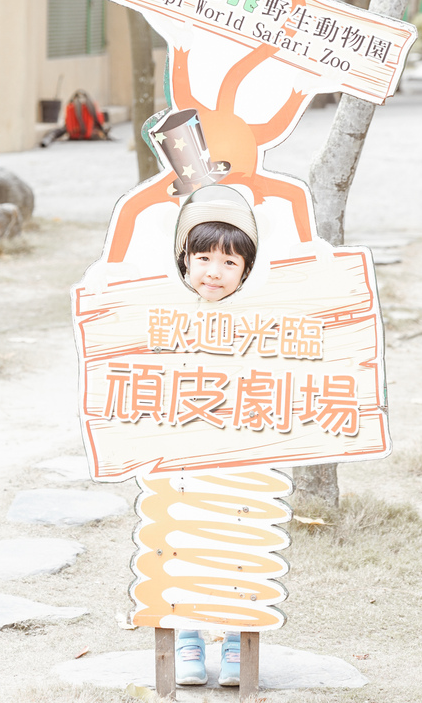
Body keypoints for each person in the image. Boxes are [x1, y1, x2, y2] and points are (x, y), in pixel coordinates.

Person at [171, 185, 258, 686]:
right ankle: (186, 640)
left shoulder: (260, 320)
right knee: (181, 544)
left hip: (241, 455)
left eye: (229, 263)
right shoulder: (165, 317)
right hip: (180, 457)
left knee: (236, 547)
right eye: (203, 258)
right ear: (184, 261)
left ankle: (231, 643)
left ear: (246, 271)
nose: (213, 272)